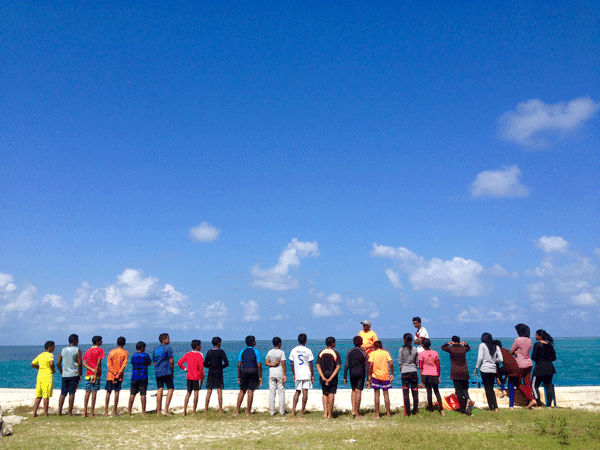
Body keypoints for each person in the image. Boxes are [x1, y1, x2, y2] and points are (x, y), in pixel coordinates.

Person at [441, 336, 473, 414]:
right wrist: (466, 344)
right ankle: (468, 399)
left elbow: (442, 347)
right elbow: (469, 348)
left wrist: (448, 343)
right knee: (465, 389)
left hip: (455, 372)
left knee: (458, 391)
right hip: (464, 372)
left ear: (452, 341)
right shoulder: (463, 348)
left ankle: (462, 410)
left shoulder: (451, 348)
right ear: (459, 341)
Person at [474, 332, 503, 412]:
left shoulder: (482, 345)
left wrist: (476, 367)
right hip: (493, 370)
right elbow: (501, 359)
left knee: (487, 389)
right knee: (491, 389)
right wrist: (493, 360)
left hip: (485, 369)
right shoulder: (496, 347)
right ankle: (496, 407)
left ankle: (491, 407)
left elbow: (480, 358)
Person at [510, 323, 537, 409]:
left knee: (517, 383)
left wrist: (515, 352)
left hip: (520, 364)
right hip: (529, 363)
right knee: (527, 383)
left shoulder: (518, 340)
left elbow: (511, 351)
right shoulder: (529, 340)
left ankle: (531, 399)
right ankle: (529, 402)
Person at [235, 335, 262, 416]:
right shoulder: (256, 352)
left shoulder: (242, 351)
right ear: (253, 342)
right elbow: (259, 365)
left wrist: (239, 376)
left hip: (244, 371)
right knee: (250, 391)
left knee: (242, 391)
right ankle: (248, 412)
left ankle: (237, 411)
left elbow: (239, 365)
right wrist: (260, 377)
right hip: (253, 372)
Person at [289, 333, 314, 416]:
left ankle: (293, 410)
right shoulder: (308, 350)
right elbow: (310, 364)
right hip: (306, 373)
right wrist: (312, 375)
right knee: (305, 392)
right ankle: (302, 411)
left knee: (297, 391)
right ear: (306, 340)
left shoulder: (294, 350)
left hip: (298, 373)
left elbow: (291, 363)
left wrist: (294, 373)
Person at [177, 339, 205, 416]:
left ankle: (184, 411)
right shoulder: (200, 355)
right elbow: (201, 367)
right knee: (196, 393)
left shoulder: (188, 354)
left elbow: (179, 362)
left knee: (188, 393)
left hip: (189, 376)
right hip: (197, 377)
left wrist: (185, 369)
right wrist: (203, 377)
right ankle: (193, 411)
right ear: (198, 346)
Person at [366, 340, 393, 419]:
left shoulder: (372, 354)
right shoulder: (386, 353)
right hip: (385, 376)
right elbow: (391, 363)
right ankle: (388, 414)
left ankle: (377, 415)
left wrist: (369, 376)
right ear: (381, 346)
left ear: (374, 347)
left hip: (375, 376)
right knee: (386, 395)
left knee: (376, 395)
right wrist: (392, 373)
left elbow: (370, 365)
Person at [56, 333, 82, 416]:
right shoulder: (77, 350)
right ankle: (70, 412)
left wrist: (62, 371)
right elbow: (80, 363)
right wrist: (80, 374)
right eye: (77, 340)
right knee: (72, 393)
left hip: (65, 375)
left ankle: (59, 411)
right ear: (74, 340)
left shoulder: (63, 350)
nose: (78, 341)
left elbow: (58, 363)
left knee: (63, 393)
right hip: (74, 374)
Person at [343, 335, 369, 418]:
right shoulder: (363, 352)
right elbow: (367, 366)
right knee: (358, 392)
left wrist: (345, 376)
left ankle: (353, 410)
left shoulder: (349, 351)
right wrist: (368, 378)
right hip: (360, 373)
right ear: (361, 343)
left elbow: (346, 365)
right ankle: (357, 413)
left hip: (352, 373)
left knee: (353, 390)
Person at [316, 336, 341, 419]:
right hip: (332, 376)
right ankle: (330, 414)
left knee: (324, 393)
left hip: (323, 375)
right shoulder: (335, 353)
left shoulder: (321, 352)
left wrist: (323, 377)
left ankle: (325, 413)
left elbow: (318, 365)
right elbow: (338, 366)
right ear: (333, 344)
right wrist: (330, 378)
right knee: (331, 393)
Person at [418, 338, 445, 416]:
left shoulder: (421, 354)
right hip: (434, 374)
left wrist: (422, 379)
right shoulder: (435, 353)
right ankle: (441, 409)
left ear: (423, 345)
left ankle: (431, 410)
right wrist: (438, 375)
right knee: (436, 391)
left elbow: (420, 367)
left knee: (429, 392)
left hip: (425, 374)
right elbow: (438, 365)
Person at [203, 336, 229, 413]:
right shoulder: (221, 352)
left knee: (209, 391)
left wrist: (210, 366)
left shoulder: (209, 352)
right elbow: (226, 363)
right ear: (218, 343)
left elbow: (205, 364)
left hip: (211, 372)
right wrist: (221, 367)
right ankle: (220, 410)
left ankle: (205, 410)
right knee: (219, 390)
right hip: (219, 372)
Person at [531, 329, 556, 407]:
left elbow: (533, 357)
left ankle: (537, 402)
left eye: (536, 335)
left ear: (540, 336)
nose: (535, 336)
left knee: (534, 386)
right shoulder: (549, 345)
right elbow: (554, 357)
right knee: (548, 386)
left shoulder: (537, 345)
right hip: (549, 368)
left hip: (539, 368)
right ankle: (549, 405)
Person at [104, 336, 129, 416]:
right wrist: (117, 374)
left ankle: (106, 411)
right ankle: (114, 411)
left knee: (108, 392)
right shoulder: (125, 353)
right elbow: (123, 366)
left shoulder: (112, 352)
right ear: (124, 344)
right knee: (116, 392)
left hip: (110, 375)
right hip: (119, 376)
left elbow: (108, 364)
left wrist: (114, 372)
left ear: (117, 343)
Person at [31, 340, 55, 417]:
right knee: (46, 396)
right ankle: (45, 413)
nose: (54, 348)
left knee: (39, 395)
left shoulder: (40, 355)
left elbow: (32, 364)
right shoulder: (50, 355)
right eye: (53, 346)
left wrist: (39, 368)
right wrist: (53, 370)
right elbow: (51, 363)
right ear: (50, 347)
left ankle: (34, 413)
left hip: (40, 376)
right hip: (47, 376)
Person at [493, 340, 520, 409]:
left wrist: (498, 379)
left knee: (497, 372)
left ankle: (503, 390)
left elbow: (497, 367)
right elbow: (508, 363)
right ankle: (511, 406)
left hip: (508, 369)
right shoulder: (506, 350)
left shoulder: (497, 352)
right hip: (515, 368)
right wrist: (505, 377)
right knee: (510, 386)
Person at [82, 335, 104, 417]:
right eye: (101, 341)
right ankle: (92, 412)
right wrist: (94, 372)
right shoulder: (100, 350)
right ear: (97, 342)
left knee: (87, 392)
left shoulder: (88, 351)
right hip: (96, 375)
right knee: (94, 392)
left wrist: (90, 369)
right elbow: (98, 363)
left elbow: (84, 363)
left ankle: (85, 412)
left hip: (88, 374)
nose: (102, 342)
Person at [128, 341, 152, 416]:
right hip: (143, 376)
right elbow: (149, 363)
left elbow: (132, 363)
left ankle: (129, 411)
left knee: (132, 394)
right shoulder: (145, 355)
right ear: (142, 348)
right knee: (143, 394)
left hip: (134, 376)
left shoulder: (133, 355)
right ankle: (143, 412)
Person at [153, 333, 175, 416]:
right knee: (170, 388)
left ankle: (158, 411)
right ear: (164, 339)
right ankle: (165, 410)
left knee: (160, 389)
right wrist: (172, 371)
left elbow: (154, 362)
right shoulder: (168, 348)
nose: (169, 340)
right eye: (168, 338)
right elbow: (171, 361)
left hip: (158, 371)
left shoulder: (155, 349)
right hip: (166, 371)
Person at [265, 336, 287, 416]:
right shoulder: (281, 352)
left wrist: (273, 364)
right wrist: (285, 374)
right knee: (281, 392)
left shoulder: (270, 352)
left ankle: (272, 411)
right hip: (279, 373)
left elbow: (266, 363)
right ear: (279, 344)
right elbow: (283, 363)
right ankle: (282, 411)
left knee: (272, 392)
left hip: (272, 373)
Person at [399, 333, 419, 416]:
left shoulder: (401, 349)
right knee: (415, 391)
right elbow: (417, 362)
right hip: (413, 371)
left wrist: (402, 369)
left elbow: (400, 362)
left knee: (405, 392)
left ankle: (406, 412)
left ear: (405, 340)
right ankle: (415, 410)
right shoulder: (415, 349)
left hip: (405, 371)